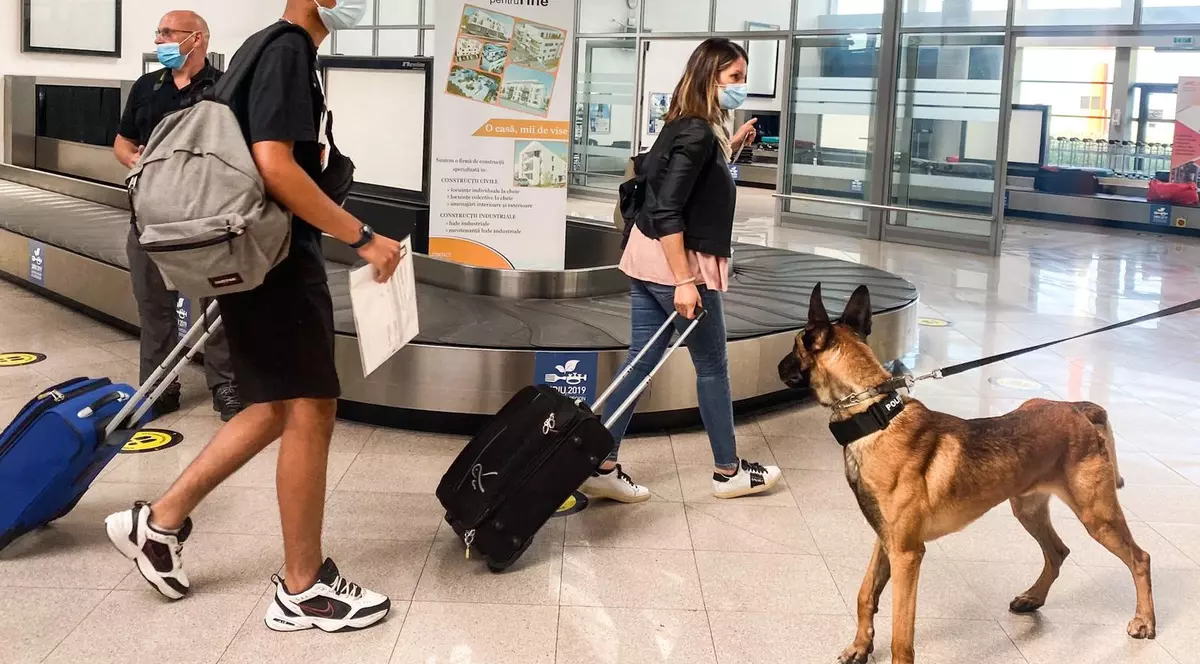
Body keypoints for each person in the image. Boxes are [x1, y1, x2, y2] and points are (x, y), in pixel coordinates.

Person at [105, 0, 403, 634]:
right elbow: (274, 165)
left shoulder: (259, 49)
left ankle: (159, 523)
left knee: (271, 407)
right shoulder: (289, 49)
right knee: (313, 407)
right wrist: (365, 237)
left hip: (251, 258)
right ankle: (303, 588)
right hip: (275, 263)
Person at [582, 38, 780, 503]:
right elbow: (670, 209)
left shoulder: (686, 124)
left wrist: (729, 147)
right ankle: (728, 471)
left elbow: (685, 186)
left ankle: (602, 463)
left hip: (643, 257)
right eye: (735, 78)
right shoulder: (696, 132)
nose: (740, 87)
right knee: (712, 366)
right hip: (679, 267)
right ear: (712, 77)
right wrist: (685, 282)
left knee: (639, 362)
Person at [114, 10, 243, 422]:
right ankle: (158, 385)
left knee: (218, 302)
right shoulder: (147, 88)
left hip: (207, 219)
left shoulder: (226, 88)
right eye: (159, 32)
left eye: (169, 33)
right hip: (150, 219)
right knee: (153, 304)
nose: (160, 40)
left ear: (198, 38)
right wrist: (133, 159)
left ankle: (225, 383)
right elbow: (122, 140)